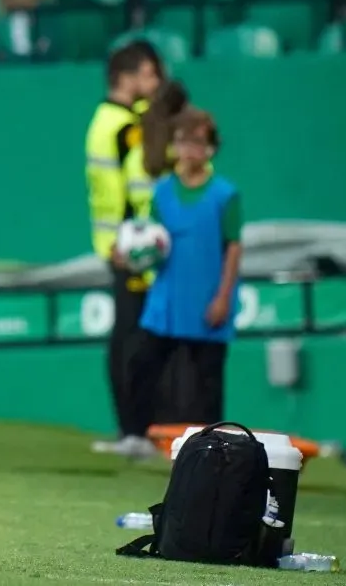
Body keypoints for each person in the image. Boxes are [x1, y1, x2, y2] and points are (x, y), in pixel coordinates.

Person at [122, 107, 242, 448]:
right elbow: (152, 241)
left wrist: (223, 297)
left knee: (207, 382)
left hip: (206, 299)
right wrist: (131, 255)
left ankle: (209, 449)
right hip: (167, 299)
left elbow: (233, 247)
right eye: (182, 142)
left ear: (210, 149)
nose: (188, 150)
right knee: (141, 364)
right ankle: (136, 436)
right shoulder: (162, 191)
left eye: (196, 143)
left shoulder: (225, 195)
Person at [84, 42, 161, 456]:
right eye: (148, 74)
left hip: (132, 248)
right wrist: (120, 244)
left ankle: (140, 430)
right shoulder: (117, 126)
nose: (155, 82)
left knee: (137, 339)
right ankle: (133, 431)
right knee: (130, 340)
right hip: (129, 251)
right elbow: (116, 194)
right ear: (125, 77)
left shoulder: (119, 121)